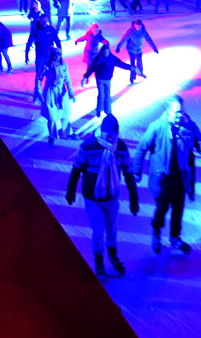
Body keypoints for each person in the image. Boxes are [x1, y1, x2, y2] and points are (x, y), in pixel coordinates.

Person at [135, 96, 201, 255]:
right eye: (175, 112)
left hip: (181, 177)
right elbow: (142, 148)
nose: (179, 115)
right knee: (162, 209)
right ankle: (156, 234)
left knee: (178, 209)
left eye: (181, 111)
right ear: (168, 111)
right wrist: (137, 171)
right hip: (162, 178)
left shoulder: (190, 127)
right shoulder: (157, 127)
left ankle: (175, 237)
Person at [66, 114, 141, 278]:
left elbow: (128, 173)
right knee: (99, 231)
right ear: (102, 131)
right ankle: (99, 263)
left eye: (113, 135)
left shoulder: (121, 148)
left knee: (112, 229)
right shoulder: (88, 146)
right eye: (107, 134)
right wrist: (71, 189)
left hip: (111, 197)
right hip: (92, 198)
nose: (110, 138)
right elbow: (77, 168)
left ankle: (113, 257)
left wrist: (134, 197)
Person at [83, 44, 137, 117]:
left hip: (108, 79)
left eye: (107, 52)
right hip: (100, 79)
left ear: (109, 51)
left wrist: (131, 68)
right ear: (102, 52)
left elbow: (121, 64)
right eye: (104, 52)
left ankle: (108, 111)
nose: (106, 53)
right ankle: (99, 109)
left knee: (107, 95)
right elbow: (92, 68)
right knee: (101, 95)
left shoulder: (112, 58)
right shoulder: (98, 59)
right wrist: (86, 77)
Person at [41, 49, 77, 145]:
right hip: (50, 92)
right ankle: (53, 136)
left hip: (61, 92)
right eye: (55, 55)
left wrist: (71, 93)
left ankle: (68, 133)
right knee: (52, 116)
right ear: (51, 56)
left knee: (64, 114)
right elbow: (39, 78)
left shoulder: (64, 65)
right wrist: (38, 91)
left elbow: (67, 79)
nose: (57, 57)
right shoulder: (46, 66)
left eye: (59, 55)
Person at [26, 15, 62, 103]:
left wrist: (59, 53)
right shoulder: (35, 30)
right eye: (43, 21)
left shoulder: (51, 29)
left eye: (46, 21)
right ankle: (36, 94)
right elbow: (29, 41)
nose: (45, 23)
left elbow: (57, 41)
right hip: (40, 57)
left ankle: (50, 94)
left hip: (50, 56)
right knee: (39, 75)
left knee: (51, 75)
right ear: (40, 21)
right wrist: (26, 54)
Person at [116, 19, 159, 84]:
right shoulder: (130, 31)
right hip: (131, 49)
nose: (137, 28)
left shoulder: (143, 31)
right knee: (132, 63)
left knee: (139, 61)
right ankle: (132, 77)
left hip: (139, 49)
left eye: (139, 26)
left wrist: (154, 48)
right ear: (134, 25)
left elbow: (149, 39)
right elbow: (124, 39)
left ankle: (140, 72)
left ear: (141, 26)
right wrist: (119, 47)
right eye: (136, 26)